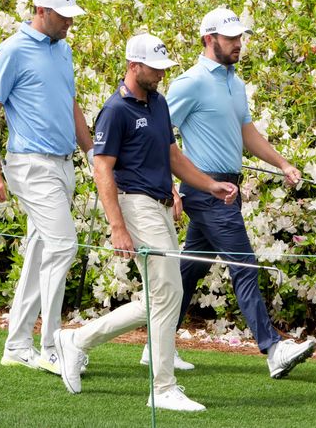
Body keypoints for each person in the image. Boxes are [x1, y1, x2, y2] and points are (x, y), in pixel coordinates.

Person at [53, 33, 237, 411]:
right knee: (168, 292)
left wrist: (209, 185)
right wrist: (117, 226)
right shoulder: (116, 110)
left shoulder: (159, 103)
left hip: (158, 205)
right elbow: (103, 170)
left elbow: (171, 155)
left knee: (162, 295)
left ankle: (78, 341)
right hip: (134, 206)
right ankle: (163, 387)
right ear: (134, 66)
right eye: (154, 69)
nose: (160, 75)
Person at [151, 7, 316, 379]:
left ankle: (156, 345)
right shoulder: (189, 82)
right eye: (231, 39)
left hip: (228, 187)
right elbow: (159, 138)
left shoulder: (235, 82)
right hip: (205, 189)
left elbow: (247, 133)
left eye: (240, 37)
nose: (239, 44)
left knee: (188, 271)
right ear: (209, 40)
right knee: (244, 264)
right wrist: (169, 187)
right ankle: (273, 348)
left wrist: (283, 163)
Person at [0, 0, 93, 375]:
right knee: (64, 247)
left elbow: (71, 103)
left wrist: (92, 152)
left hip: (63, 165)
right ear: (41, 12)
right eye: (64, 17)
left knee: (43, 250)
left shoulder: (63, 50)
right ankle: (52, 347)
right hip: (30, 165)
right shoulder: (10, 51)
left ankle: (16, 345)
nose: (69, 24)